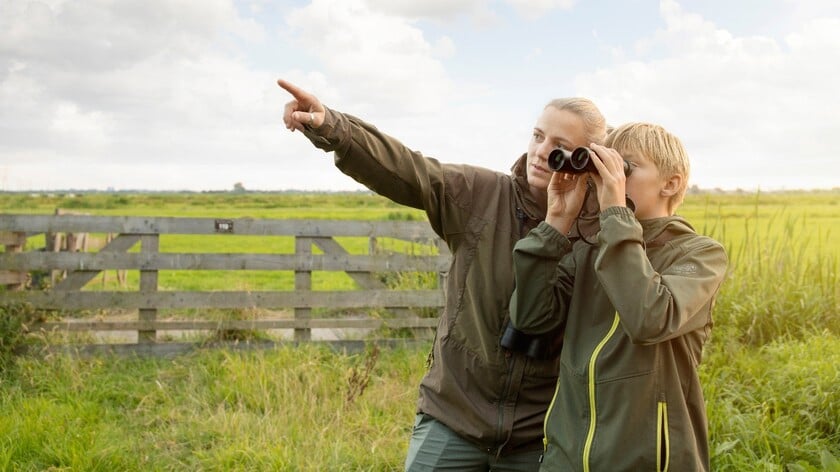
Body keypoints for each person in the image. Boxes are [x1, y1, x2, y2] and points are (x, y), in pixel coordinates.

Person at [277, 78, 608, 470]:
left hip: (540, 434)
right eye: (538, 136)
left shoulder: (598, 232)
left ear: (586, 158)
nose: (540, 152)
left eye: (560, 147)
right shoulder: (482, 195)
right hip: (453, 418)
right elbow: (408, 169)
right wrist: (332, 127)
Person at [508, 122, 728, 471]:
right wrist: (555, 224)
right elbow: (531, 319)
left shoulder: (700, 255)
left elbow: (649, 318)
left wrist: (615, 214)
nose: (609, 176)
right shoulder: (591, 251)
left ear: (670, 183)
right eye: (603, 164)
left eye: (625, 167)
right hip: (566, 458)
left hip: (647, 461)